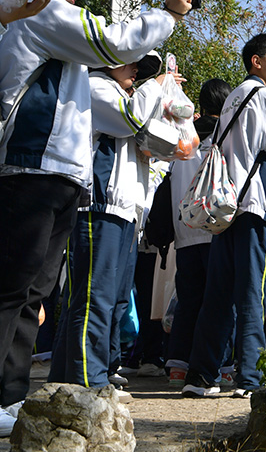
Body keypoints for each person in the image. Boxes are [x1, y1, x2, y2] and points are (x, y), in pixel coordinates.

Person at [0, 0, 190, 434]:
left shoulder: (58, 32)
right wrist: (168, 15)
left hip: (61, 174)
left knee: (33, 293)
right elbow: (113, 41)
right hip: (30, 166)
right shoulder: (42, 8)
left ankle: (11, 398)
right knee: (13, 289)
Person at [49, 52, 183, 395]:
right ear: (107, 60)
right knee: (93, 296)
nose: (137, 71)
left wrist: (169, 106)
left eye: (141, 68)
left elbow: (162, 146)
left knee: (114, 299)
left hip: (124, 211)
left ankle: (84, 374)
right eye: (131, 62)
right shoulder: (95, 86)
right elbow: (131, 119)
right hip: (97, 206)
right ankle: (86, 379)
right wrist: (156, 86)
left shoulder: (123, 96)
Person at [183, 33, 266, 399]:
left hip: (227, 208)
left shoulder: (234, 96)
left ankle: (201, 376)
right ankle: (251, 377)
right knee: (254, 293)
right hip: (256, 206)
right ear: (256, 61)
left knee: (218, 296)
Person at [165, 79, 233, 387]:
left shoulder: (185, 134)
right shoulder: (226, 133)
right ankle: (222, 364)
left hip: (185, 231)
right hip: (216, 228)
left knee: (188, 298)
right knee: (219, 300)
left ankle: (178, 365)